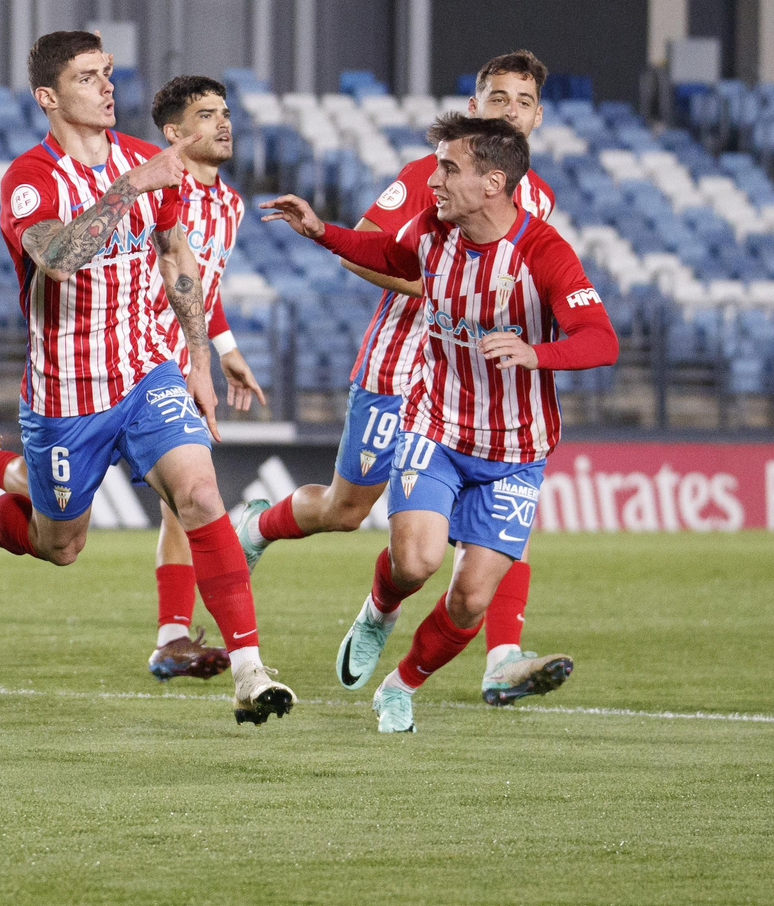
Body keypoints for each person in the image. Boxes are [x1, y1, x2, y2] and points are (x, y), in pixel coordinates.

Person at [0, 31, 294, 724]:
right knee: (60, 545)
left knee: (199, 493)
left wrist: (197, 355)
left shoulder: (141, 158)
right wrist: (130, 188)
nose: (106, 87)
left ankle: (249, 669)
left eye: (109, 73)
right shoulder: (30, 180)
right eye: (88, 77)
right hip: (67, 396)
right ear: (48, 97)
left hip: (145, 373)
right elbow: (59, 256)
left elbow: (175, 253)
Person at [235, 48, 572, 706]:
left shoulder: (540, 199)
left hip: (479, 391)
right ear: (474, 108)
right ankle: (270, 535)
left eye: (523, 102)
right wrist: (434, 280)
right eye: (497, 99)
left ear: (536, 118)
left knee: (498, 517)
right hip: (398, 371)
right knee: (345, 509)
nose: (510, 111)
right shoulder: (430, 173)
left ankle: (502, 657)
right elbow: (363, 242)